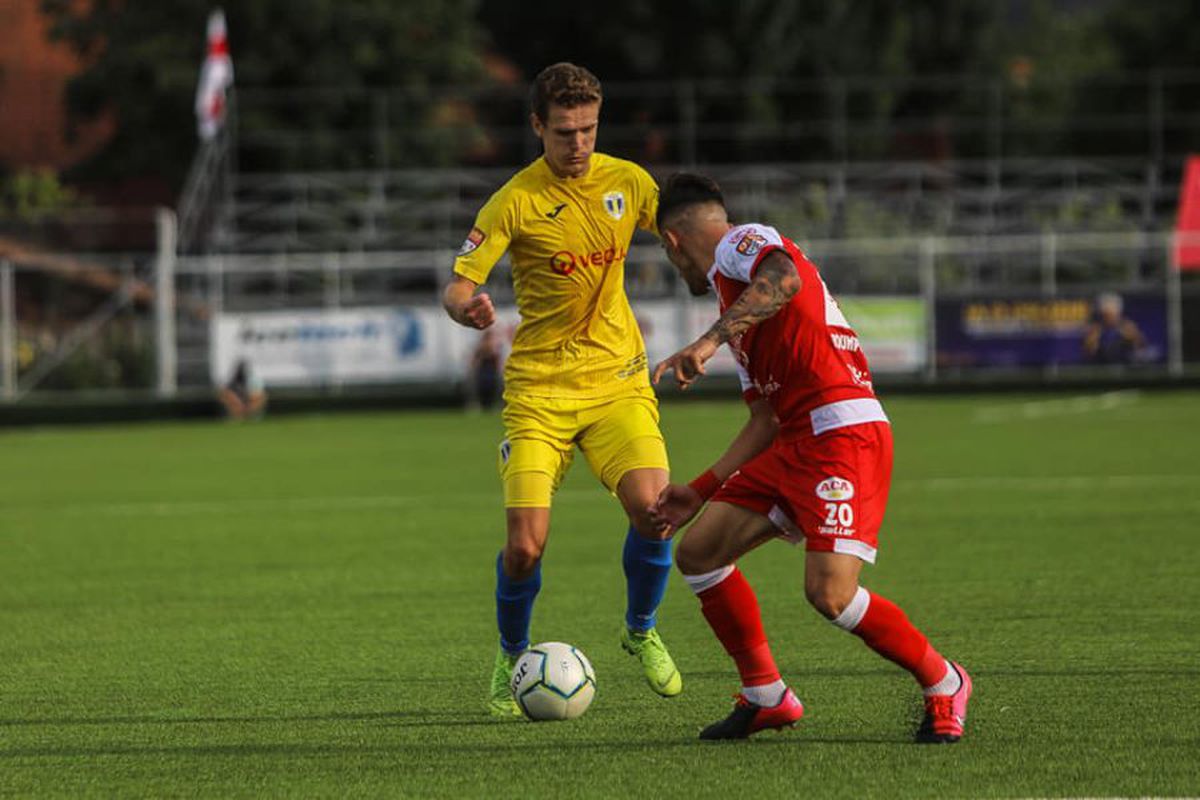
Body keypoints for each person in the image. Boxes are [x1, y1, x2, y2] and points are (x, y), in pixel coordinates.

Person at [649, 173, 972, 742]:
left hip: (843, 434)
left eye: (670, 257)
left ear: (672, 243)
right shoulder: (738, 308)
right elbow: (764, 422)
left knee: (830, 594)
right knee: (699, 552)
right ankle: (766, 695)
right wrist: (698, 490)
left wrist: (707, 341)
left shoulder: (738, 243)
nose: (678, 270)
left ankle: (944, 681)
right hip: (793, 440)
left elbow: (783, 277)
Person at [442, 62, 681, 719]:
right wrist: (468, 309)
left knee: (656, 510)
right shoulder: (514, 200)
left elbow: (686, 236)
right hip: (540, 391)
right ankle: (509, 656)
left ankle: (640, 630)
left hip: (617, 382)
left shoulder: (628, 182)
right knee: (524, 548)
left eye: (589, 129)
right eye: (565, 132)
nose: (579, 144)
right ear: (537, 127)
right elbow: (458, 285)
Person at [1082, 292, 1147, 365]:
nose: (1110, 317)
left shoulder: (1128, 326)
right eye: (1106, 314)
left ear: (1118, 313)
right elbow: (1088, 353)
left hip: (1125, 366)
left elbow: (1141, 348)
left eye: (1113, 314)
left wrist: (1135, 339)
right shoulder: (1095, 329)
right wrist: (1093, 342)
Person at [469, 327, 504, 410]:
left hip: (492, 373)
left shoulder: (495, 349)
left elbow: (498, 363)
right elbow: (474, 362)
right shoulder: (480, 349)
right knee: (477, 385)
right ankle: (478, 404)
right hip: (482, 372)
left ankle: (495, 404)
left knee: (497, 386)